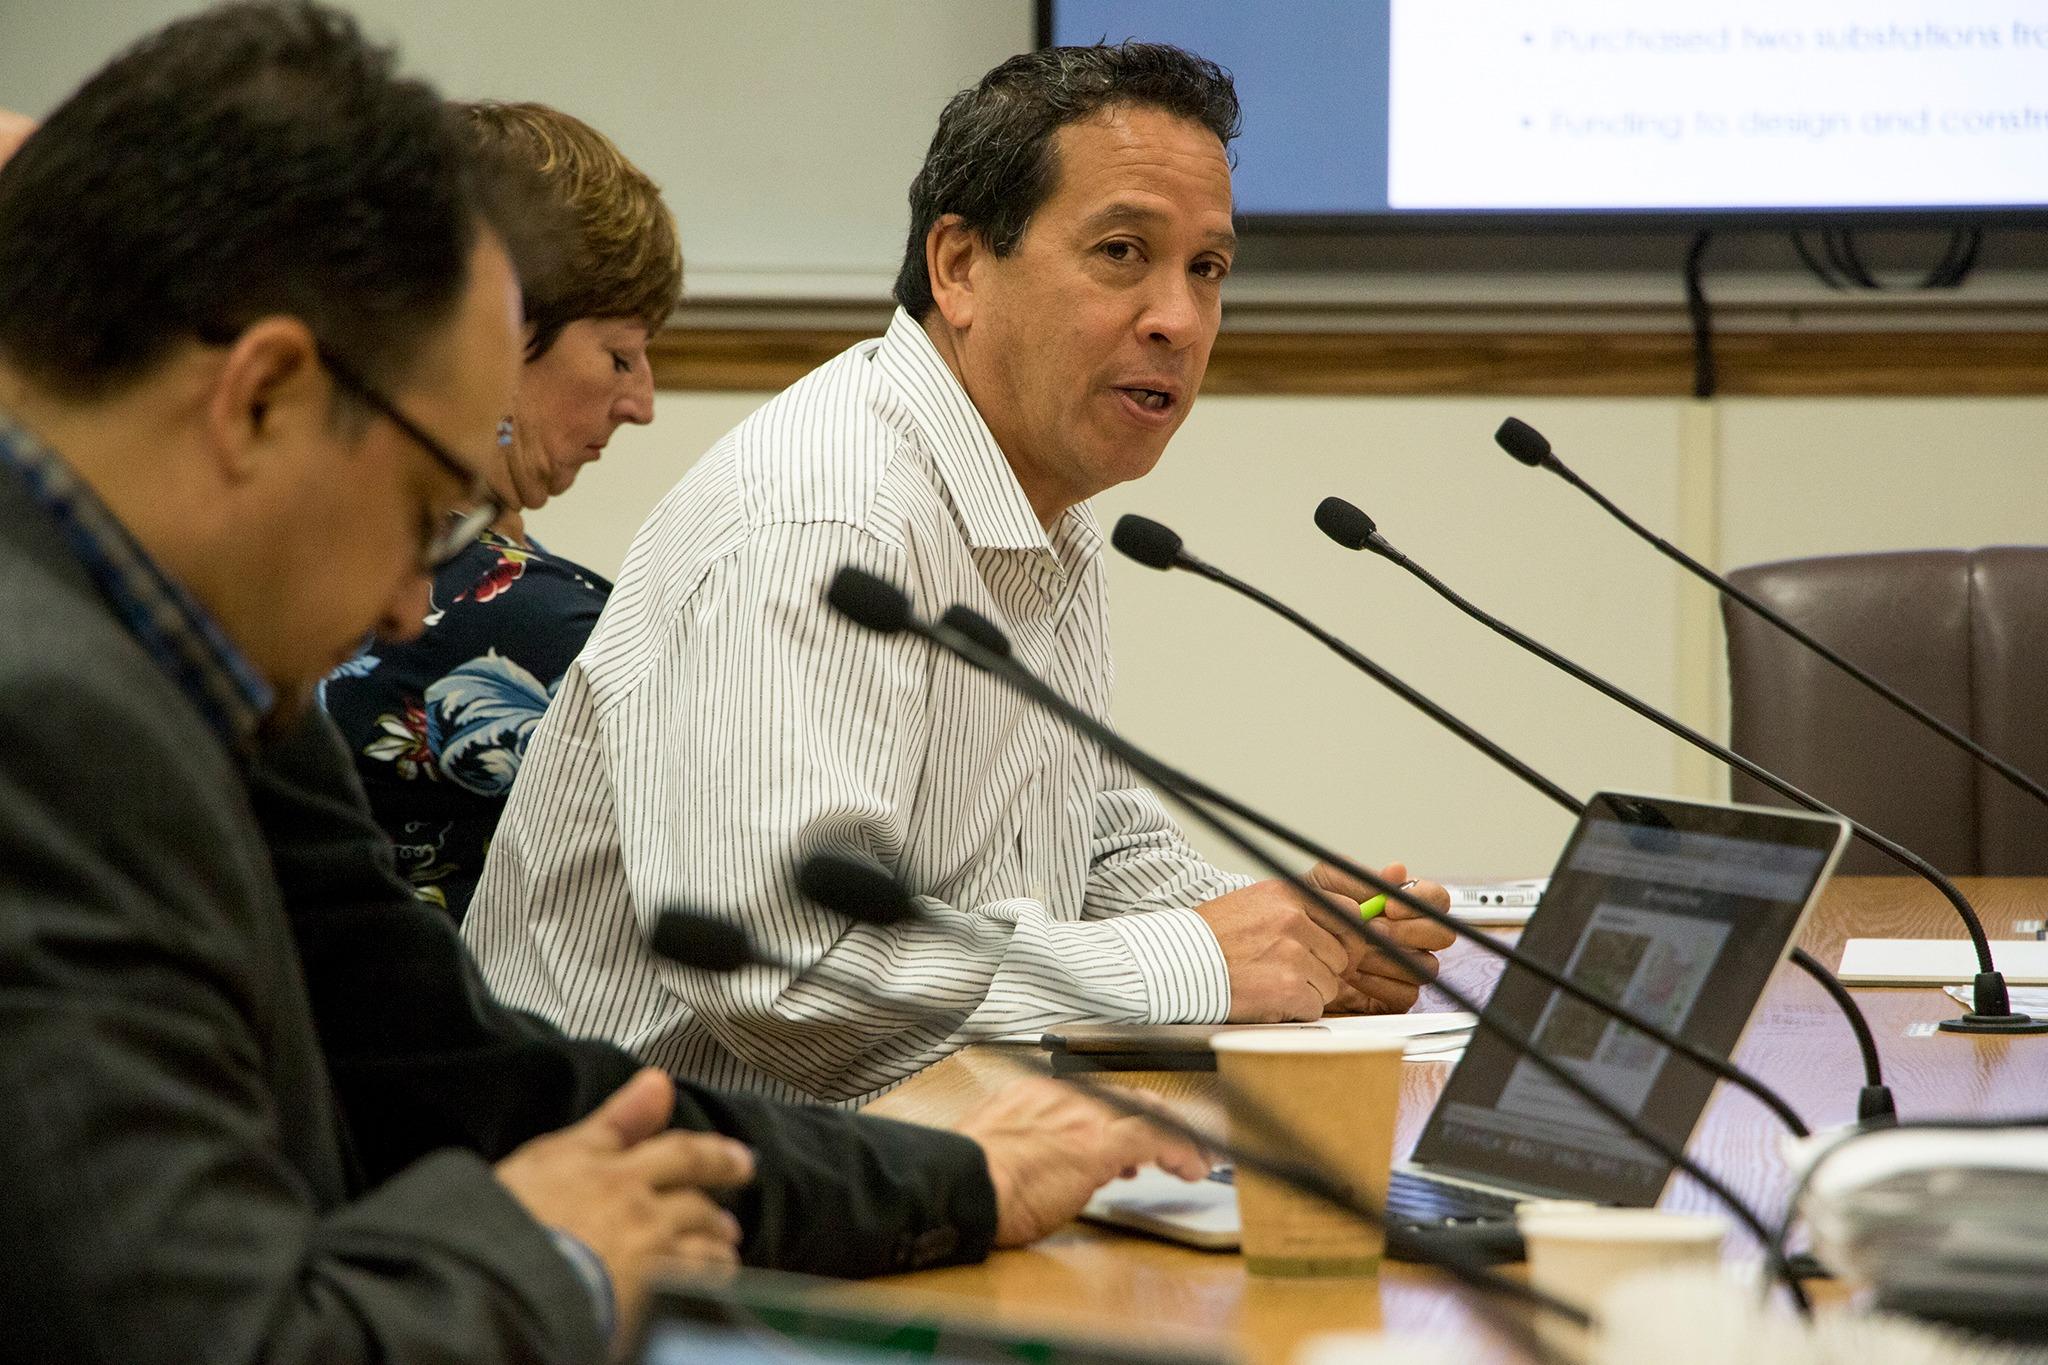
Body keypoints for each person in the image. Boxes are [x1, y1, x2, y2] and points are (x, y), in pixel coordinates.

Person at [0, 8, 1203, 1363]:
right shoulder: (47, 722)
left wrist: (957, 1181)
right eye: (432, 508)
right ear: (262, 398)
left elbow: (475, 1080)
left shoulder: (213, 683)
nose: (410, 603)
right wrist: (557, 1252)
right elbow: (216, 1339)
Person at [464, 42, 1459, 1107]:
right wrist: (1197, 961)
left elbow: (1075, 848)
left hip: (887, 1146)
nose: (1177, 318)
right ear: (959, 267)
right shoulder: (827, 519)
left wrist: (1296, 935)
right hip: (640, 1175)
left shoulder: (1038, 507)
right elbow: (787, 969)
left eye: (1206, 269)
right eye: (1122, 252)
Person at [323, 100, 672, 922]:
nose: (643, 403)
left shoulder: (395, 550)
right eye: (620, 356)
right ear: (501, 334)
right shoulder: (512, 614)